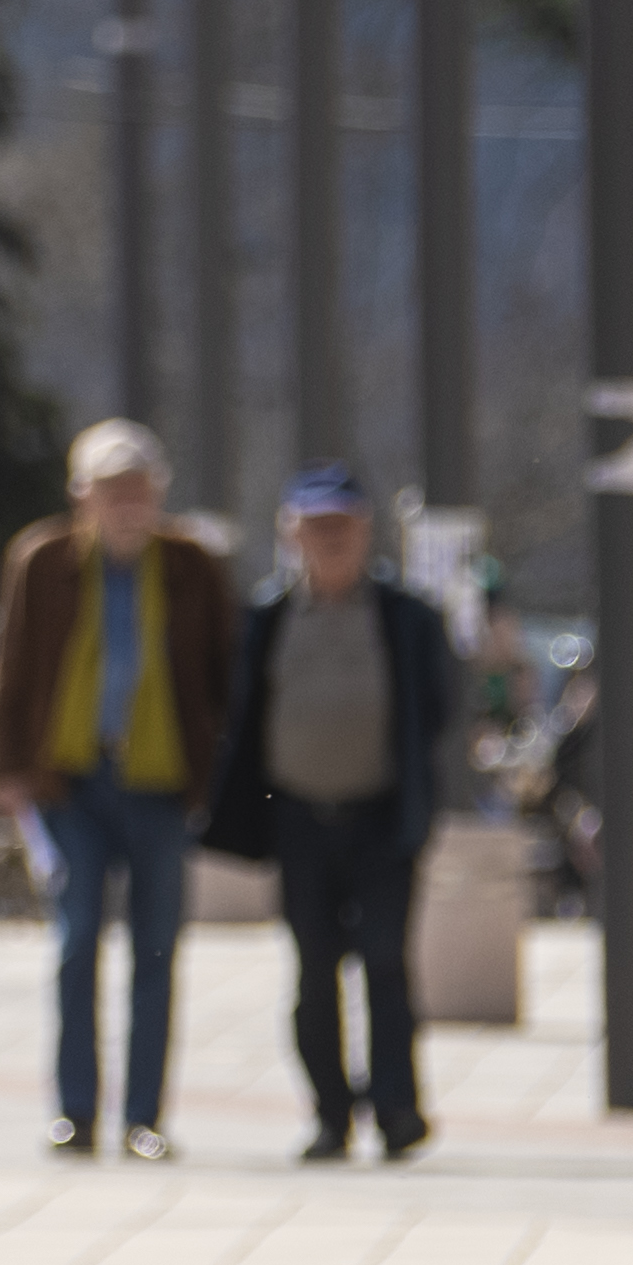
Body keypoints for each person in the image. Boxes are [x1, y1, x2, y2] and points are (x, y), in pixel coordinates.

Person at [0, 420, 238, 1162]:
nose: (127, 504)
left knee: (157, 948)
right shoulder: (44, 559)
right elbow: (13, 664)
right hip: (73, 781)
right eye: (111, 489)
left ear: (159, 494)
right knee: (76, 938)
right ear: (81, 496)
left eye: (139, 489)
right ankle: (75, 1111)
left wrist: (216, 774)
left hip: (158, 781)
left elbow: (224, 670)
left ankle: (144, 1117)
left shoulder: (190, 564)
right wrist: (9, 769)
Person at [201, 468, 458, 1165]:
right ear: (292, 535)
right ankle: (329, 1113)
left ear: (365, 531)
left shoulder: (405, 616)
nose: (329, 541)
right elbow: (241, 716)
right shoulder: (268, 617)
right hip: (299, 818)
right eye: (315, 528)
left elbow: (437, 708)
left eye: (341, 526)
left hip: (380, 816)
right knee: (314, 968)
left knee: (384, 961)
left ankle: (399, 1106)